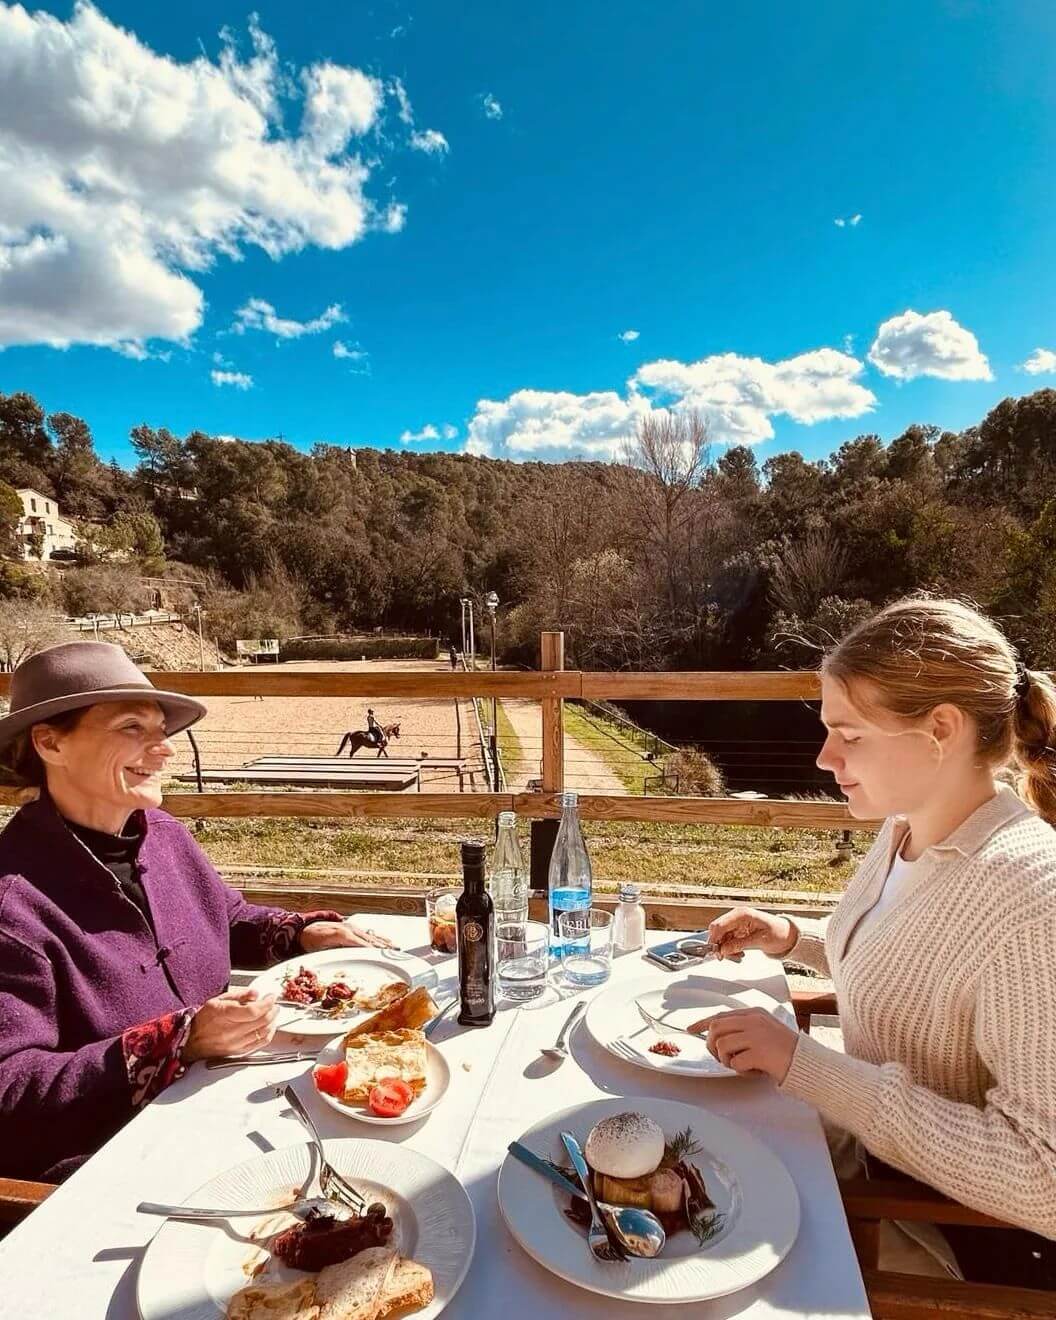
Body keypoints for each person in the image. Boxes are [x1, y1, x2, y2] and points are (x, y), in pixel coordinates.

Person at [704, 597, 1056, 1285]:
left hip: (931, 1229)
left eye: (851, 734)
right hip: (860, 1155)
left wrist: (807, 1067)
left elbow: (1045, 1179)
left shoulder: (1030, 898)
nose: (824, 755)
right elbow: (916, 974)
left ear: (941, 730)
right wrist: (791, 938)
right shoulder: (906, 828)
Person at [0, 642, 393, 1184]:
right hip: (113, 1167)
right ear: (50, 742)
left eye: (162, 731)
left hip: (227, 1106)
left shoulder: (162, 836)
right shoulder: (13, 902)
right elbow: (11, 1090)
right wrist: (176, 1040)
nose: (162, 750)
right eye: (133, 728)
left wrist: (302, 932)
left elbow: (224, 918)